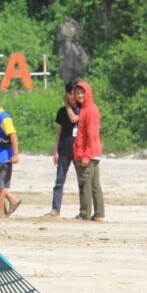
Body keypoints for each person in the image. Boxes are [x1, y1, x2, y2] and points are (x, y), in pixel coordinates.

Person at [72, 81, 104, 221]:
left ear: (88, 93)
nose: (79, 95)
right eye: (77, 93)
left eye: (82, 93)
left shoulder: (90, 110)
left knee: (85, 184)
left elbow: (92, 134)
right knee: (95, 185)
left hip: (88, 153)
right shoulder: (85, 109)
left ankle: (84, 213)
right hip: (93, 153)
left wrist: (86, 155)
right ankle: (99, 214)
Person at [50, 81, 79, 217]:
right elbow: (58, 132)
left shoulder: (83, 109)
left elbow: (73, 119)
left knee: (82, 182)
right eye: (70, 93)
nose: (73, 96)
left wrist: (67, 105)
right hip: (64, 149)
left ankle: (84, 211)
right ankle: (55, 209)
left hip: (79, 150)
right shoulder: (62, 111)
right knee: (59, 181)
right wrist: (55, 150)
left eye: (75, 93)